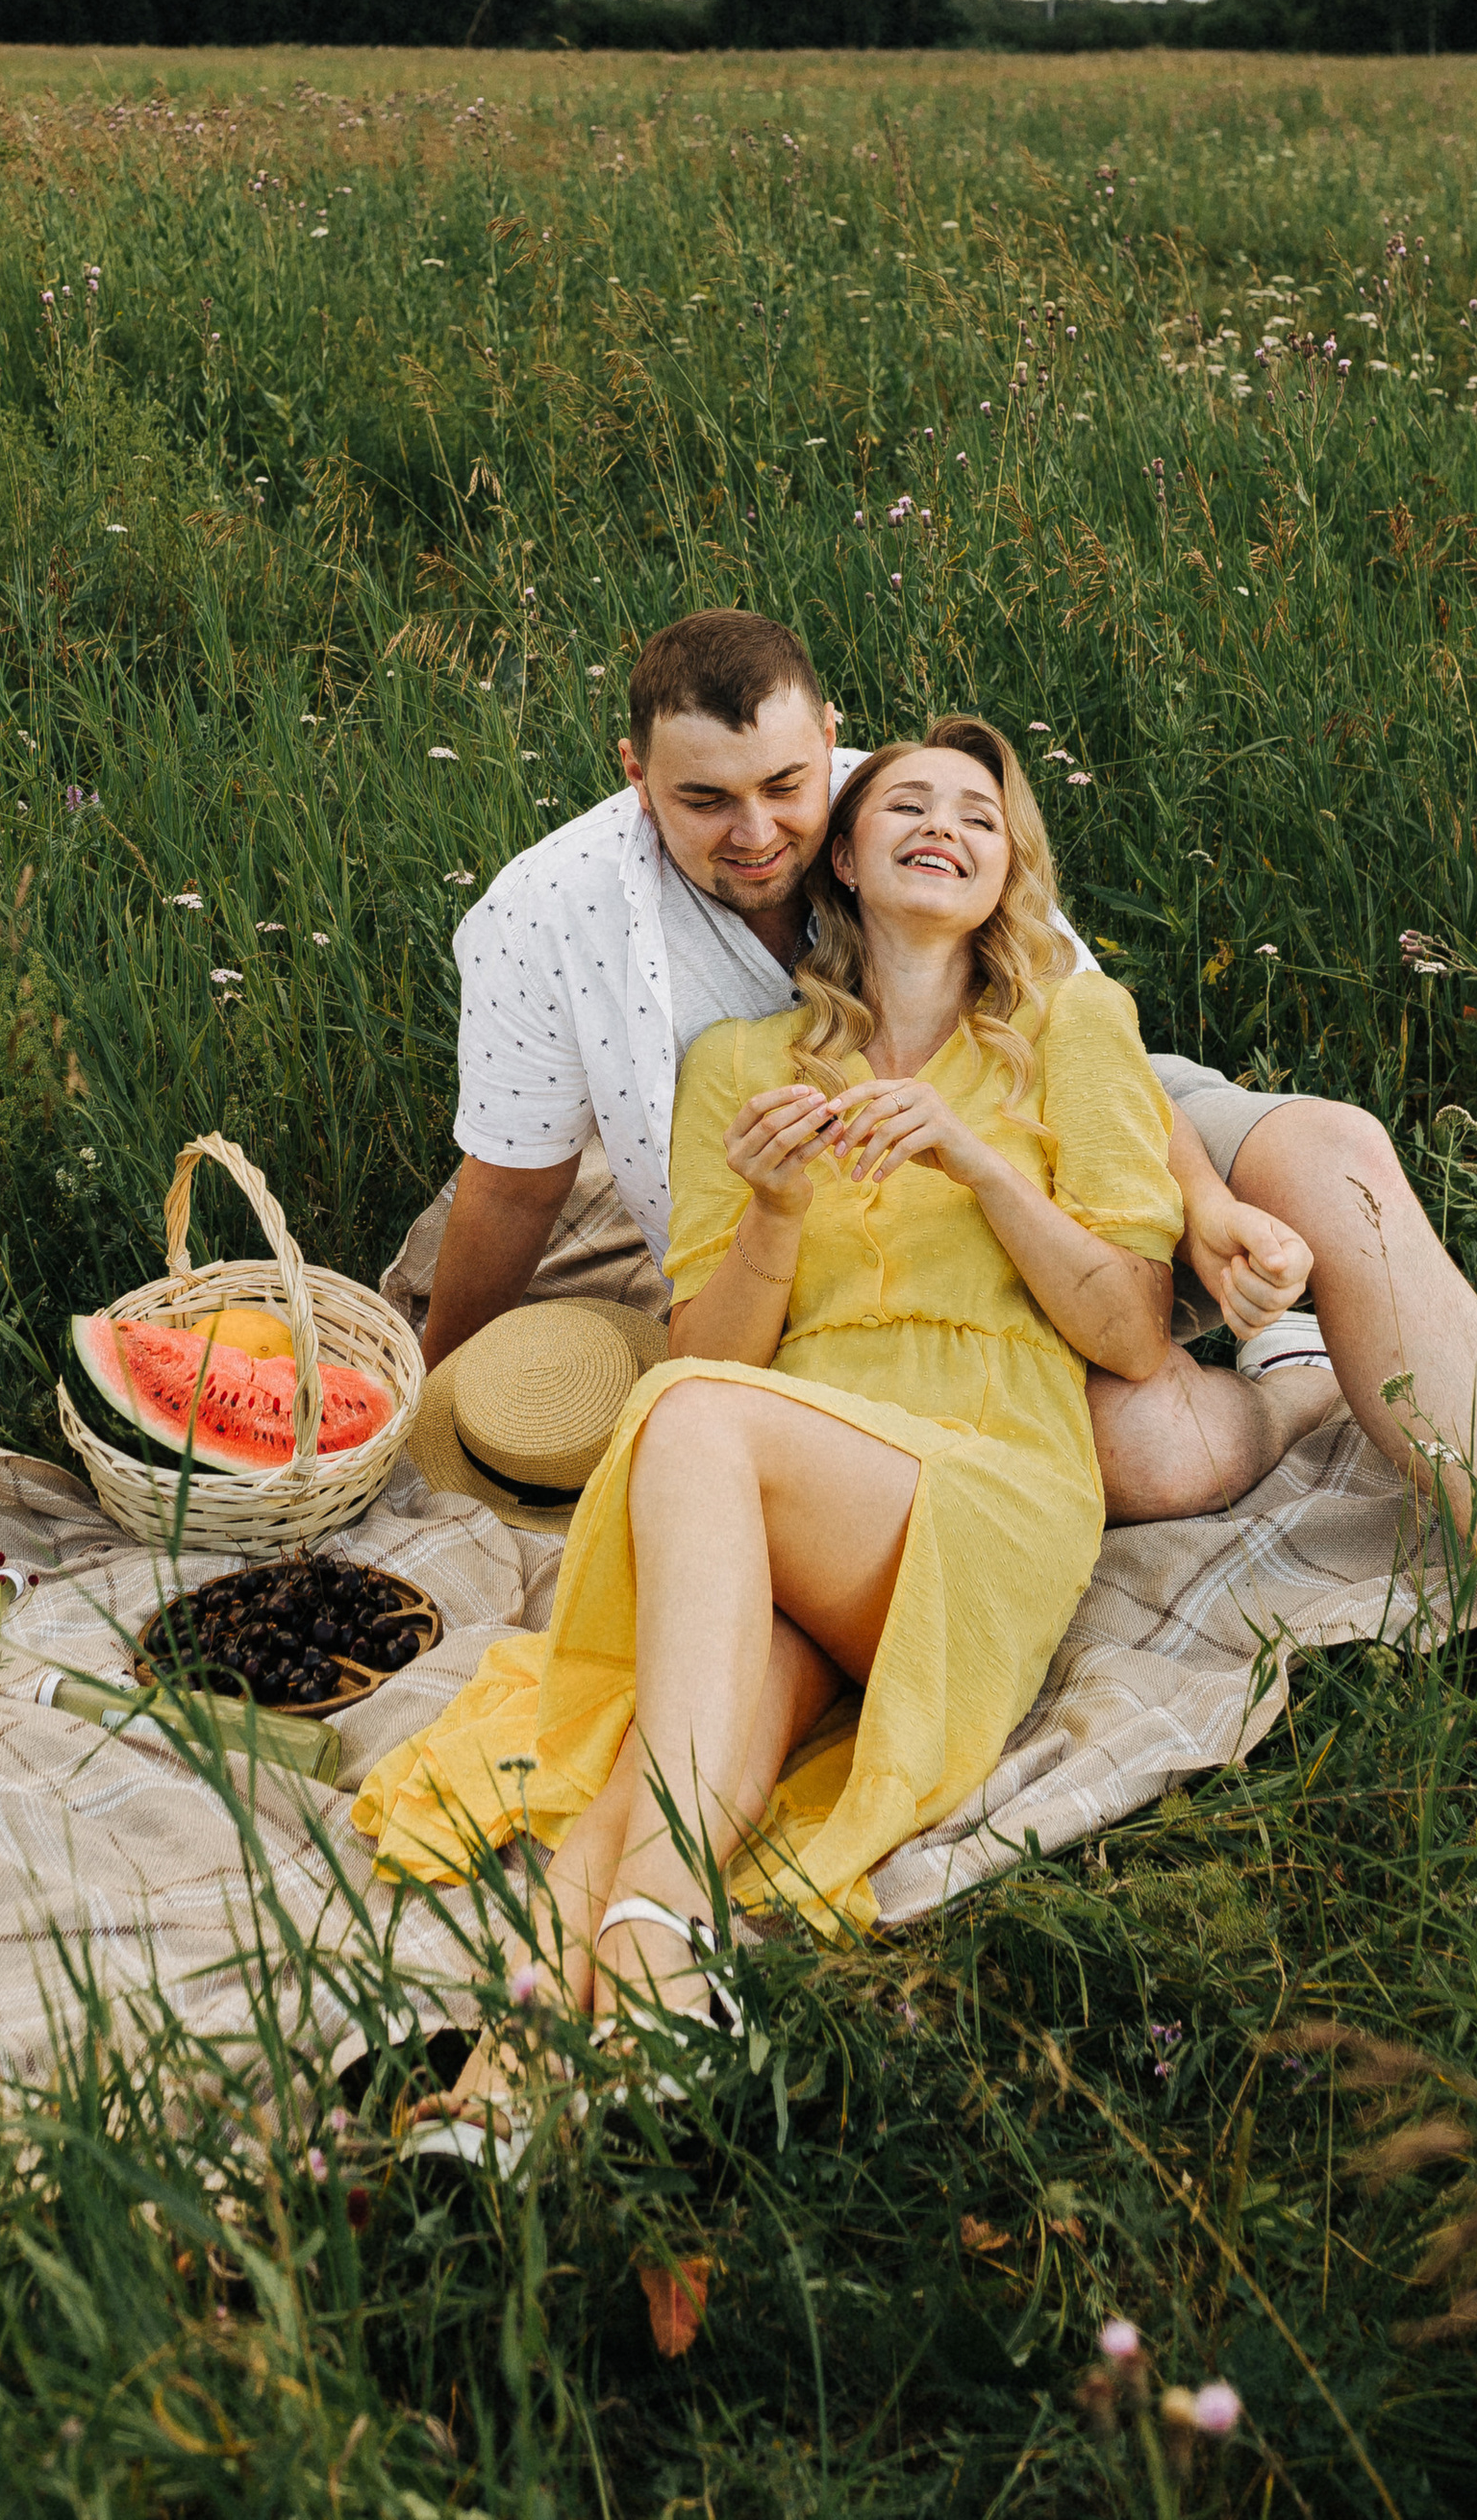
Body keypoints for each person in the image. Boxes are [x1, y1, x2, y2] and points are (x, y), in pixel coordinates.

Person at [398, 607, 1477, 1764]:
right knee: (1140, 1453)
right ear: (633, 770)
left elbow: (1081, 1019)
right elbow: (513, 1188)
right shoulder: (545, 920)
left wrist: (1208, 1206)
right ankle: (1309, 1373)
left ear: (828, 740)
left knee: (1331, 1154)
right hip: (881, 1271)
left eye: (786, 788)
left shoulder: (908, 805)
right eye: (705, 801)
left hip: (1058, 1111)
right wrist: (429, 1393)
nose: (760, 832)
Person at [361, 721, 1184, 2106]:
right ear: (843, 862)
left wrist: (978, 1160)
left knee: (686, 1421)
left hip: (985, 1491)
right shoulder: (744, 1068)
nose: (945, 826)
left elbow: (1133, 1332)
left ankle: (639, 1968)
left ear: (1006, 866)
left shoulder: (1072, 1030)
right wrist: (781, 1214)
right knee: (649, 1758)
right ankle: (523, 2078)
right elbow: (718, 1344)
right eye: (907, 804)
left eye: (979, 816)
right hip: (795, 1504)